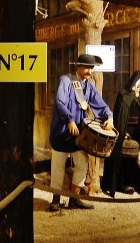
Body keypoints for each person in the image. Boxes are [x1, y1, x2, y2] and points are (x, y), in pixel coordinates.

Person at [49, 53, 114, 211]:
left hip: (79, 134)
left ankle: (74, 198)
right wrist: (69, 120)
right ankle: (55, 200)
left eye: (91, 68)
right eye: (86, 67)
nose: (90, 71)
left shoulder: (88, 86)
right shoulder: (66, 80)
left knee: (82, 165)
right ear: (78, 66)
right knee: (58, 166)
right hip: (62, 130)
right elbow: (60, 102)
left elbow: (100, 104)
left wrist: (109, 117)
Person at [101, 70, 140, 197]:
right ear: (136, 79)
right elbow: (120, 114)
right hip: (126, 130)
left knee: (137, 156)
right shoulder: (124, 94)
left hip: (139, 131)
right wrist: (123, 131)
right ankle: (122, 183)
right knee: (124, 156)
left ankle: (139, 183)